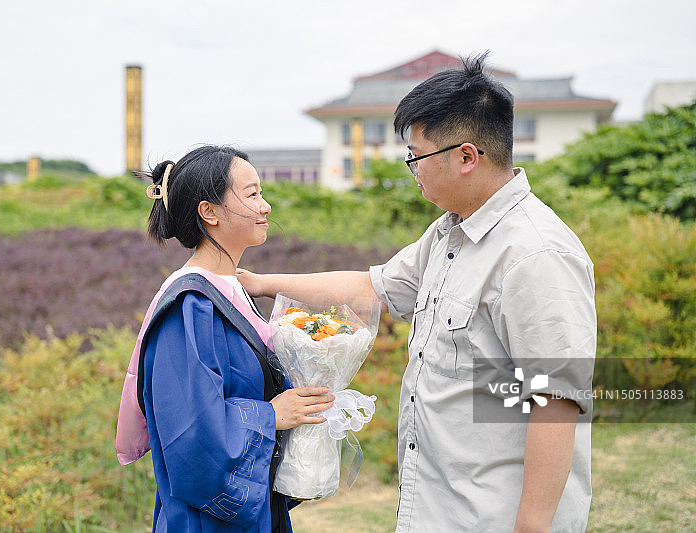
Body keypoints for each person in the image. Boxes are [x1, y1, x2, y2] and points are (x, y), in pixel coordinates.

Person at [238, 53, 596, 532]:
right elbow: (372, 285)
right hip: (438, 508)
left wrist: (531, 527)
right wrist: (259, 284)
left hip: (492, 516)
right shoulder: (449, 234)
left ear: (467, 156)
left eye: (416, 157)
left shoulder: (536, 254)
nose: (413, 170)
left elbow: (555, 402)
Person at [115, 145, 335, 533]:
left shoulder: (233, 290)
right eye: (252, 195)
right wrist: (272, 415)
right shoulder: (190, 306)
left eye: (261, 192)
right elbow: (190, 433)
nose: (265, 206)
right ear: (209, 212)